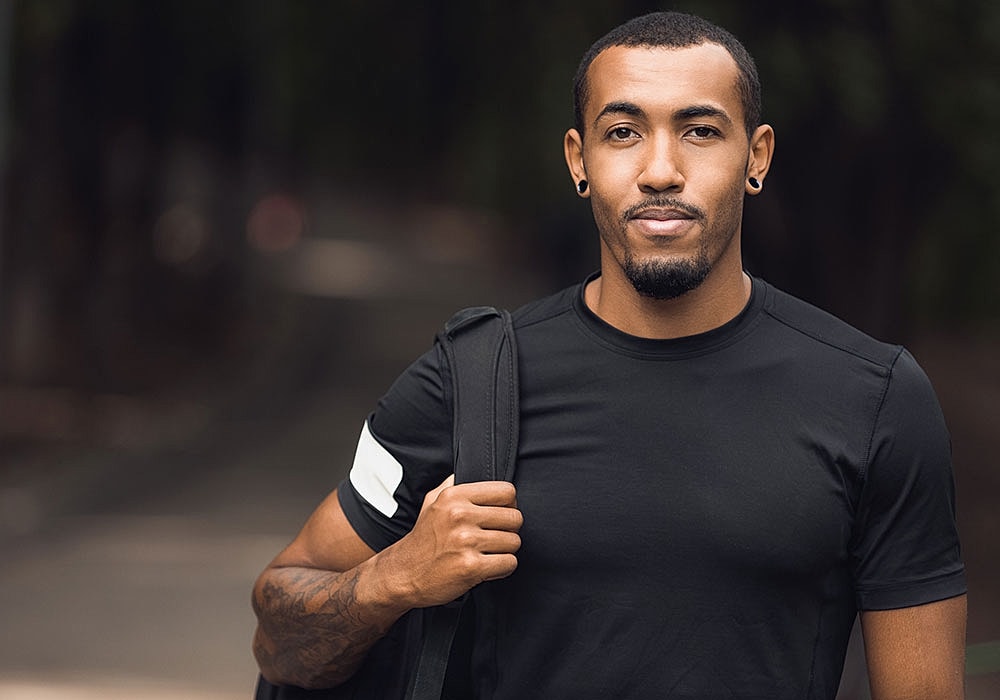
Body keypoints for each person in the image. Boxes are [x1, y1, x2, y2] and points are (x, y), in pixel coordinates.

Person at [252, 11, 967, 699]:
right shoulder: (469, 381)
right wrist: (394, 577)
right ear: (579, 160)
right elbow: (279, 638)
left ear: (757, 157)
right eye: (623, 132)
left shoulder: (873, 398)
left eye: (700, 131)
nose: (660, 169)